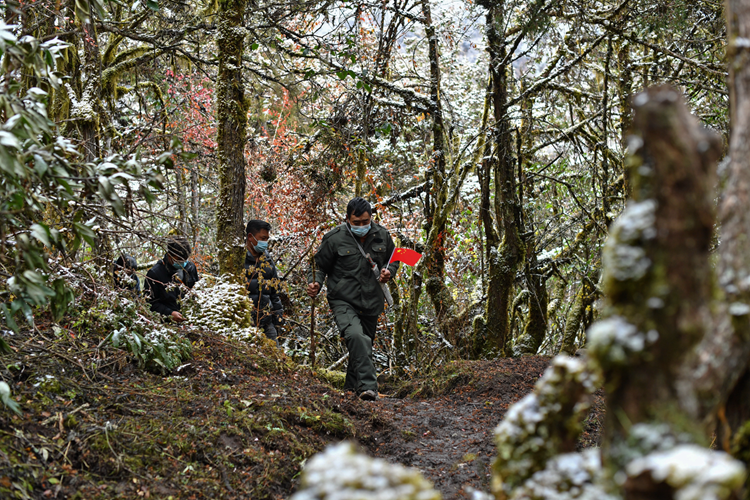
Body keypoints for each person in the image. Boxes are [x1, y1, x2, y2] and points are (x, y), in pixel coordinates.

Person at [307, 197, 399, 401]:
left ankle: (350, 392)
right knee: (357, 337)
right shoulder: (334, 238)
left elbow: (394, 258)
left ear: (371, 218)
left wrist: (389, 271)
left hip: (372, 300)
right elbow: (318, 266)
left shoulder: (382, 235)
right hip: (343, 300)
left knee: (362, 346)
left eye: (366, 221)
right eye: (356, 222)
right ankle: (369, 387)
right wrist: (315, 283)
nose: (362, 226)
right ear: (347, 219)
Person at [245, 220, 284, 344]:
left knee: (276, 353)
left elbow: (274, 291)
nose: (265, 243)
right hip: (246, 323)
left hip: (267, 322)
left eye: (267, 239)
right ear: (250, 237)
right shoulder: (239, 260)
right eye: (262, 238)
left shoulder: (267, 260)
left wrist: (278, 315)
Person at [144, 236, 200, 322]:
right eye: (179, 260)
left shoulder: (191, 268)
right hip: (167, 324)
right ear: (169, 255)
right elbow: (149, 304)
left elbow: (197, 291)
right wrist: (169, 313)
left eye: (185, 260)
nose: (182, 263)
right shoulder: (154, 274)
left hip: (191, 320)